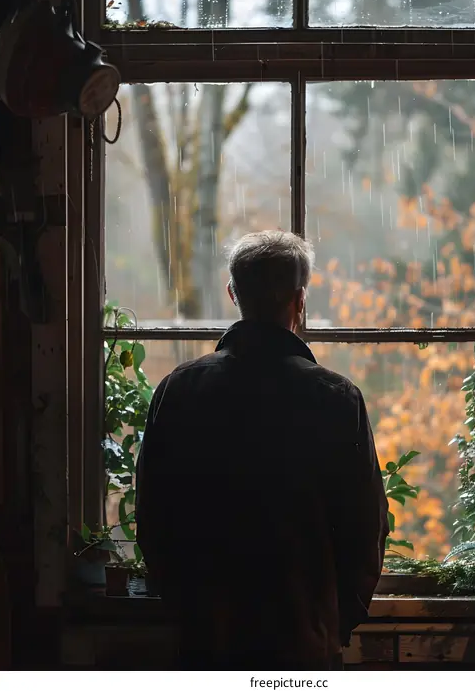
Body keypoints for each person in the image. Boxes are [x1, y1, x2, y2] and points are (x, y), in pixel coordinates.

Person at [136, 230, 388, 670]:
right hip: (302, 640)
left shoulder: (180, 390)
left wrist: (187, 610)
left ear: (233, 294)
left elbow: (153, 518)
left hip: (206, 638)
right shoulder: (335, 397)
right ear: (300, 299)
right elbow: (365, 529)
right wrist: (329, 621)